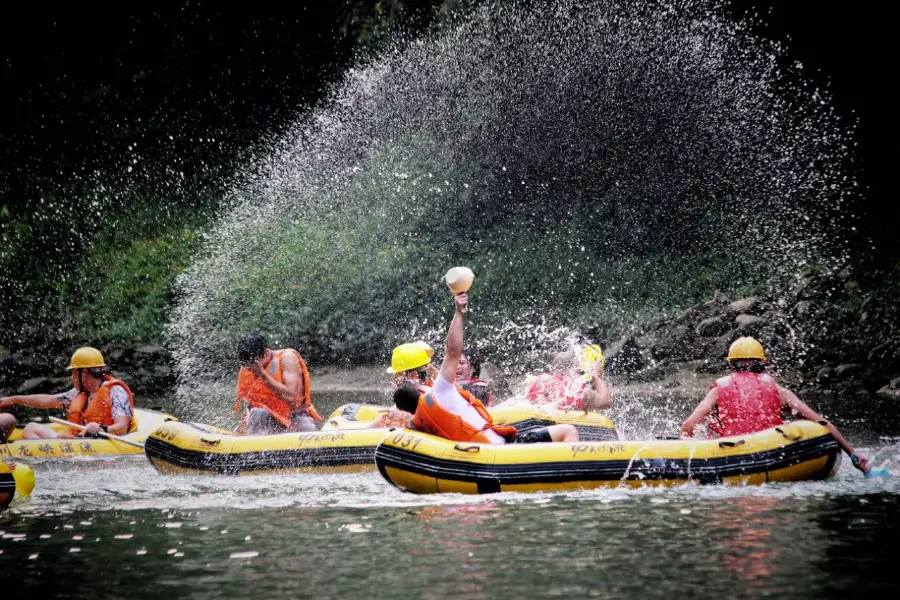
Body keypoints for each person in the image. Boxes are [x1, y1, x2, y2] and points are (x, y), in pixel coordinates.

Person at [393, 288, 579, 444]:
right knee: (568, 431)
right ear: (420, 389)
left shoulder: (420, 424)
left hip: (486, 452)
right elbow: (452, 351)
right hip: (505, 450)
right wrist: (458, 312)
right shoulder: (440, 393)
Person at [681, 336, 872, 474]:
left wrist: (689, 451)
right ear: (762, 363)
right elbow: (822, 423)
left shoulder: (718, 390)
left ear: (732, 364)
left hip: (733, 458)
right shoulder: (781, 392)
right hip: (775, 454)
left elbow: (688, 425)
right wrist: (853, 454)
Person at [0, 347, 135, 439]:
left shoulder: (116, 392)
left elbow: (122, 427)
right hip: (75, 439)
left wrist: (102, 429)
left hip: (99, 442)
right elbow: (47, 400)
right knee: (31, 427)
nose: (72, 377)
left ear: (85, 373)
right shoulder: (77, 393)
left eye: (74, 372)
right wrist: (14, 399)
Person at [234, 333, 322, 434]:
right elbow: (250, 406)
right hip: (264, 418)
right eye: (248, 366)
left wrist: (263, 375)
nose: (252, 369)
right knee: (258, 413)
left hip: (296, 417)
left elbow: (291, 396)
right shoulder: (247, 369)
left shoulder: (287, 358)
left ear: (266, 353)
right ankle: (255, 445)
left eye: (255, 364)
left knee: (309, 434)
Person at [524, 349, 612, 411]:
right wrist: (595, 375)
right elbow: (605, 402)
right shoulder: (575, 390)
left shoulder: (538, 381)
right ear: (574, 370)